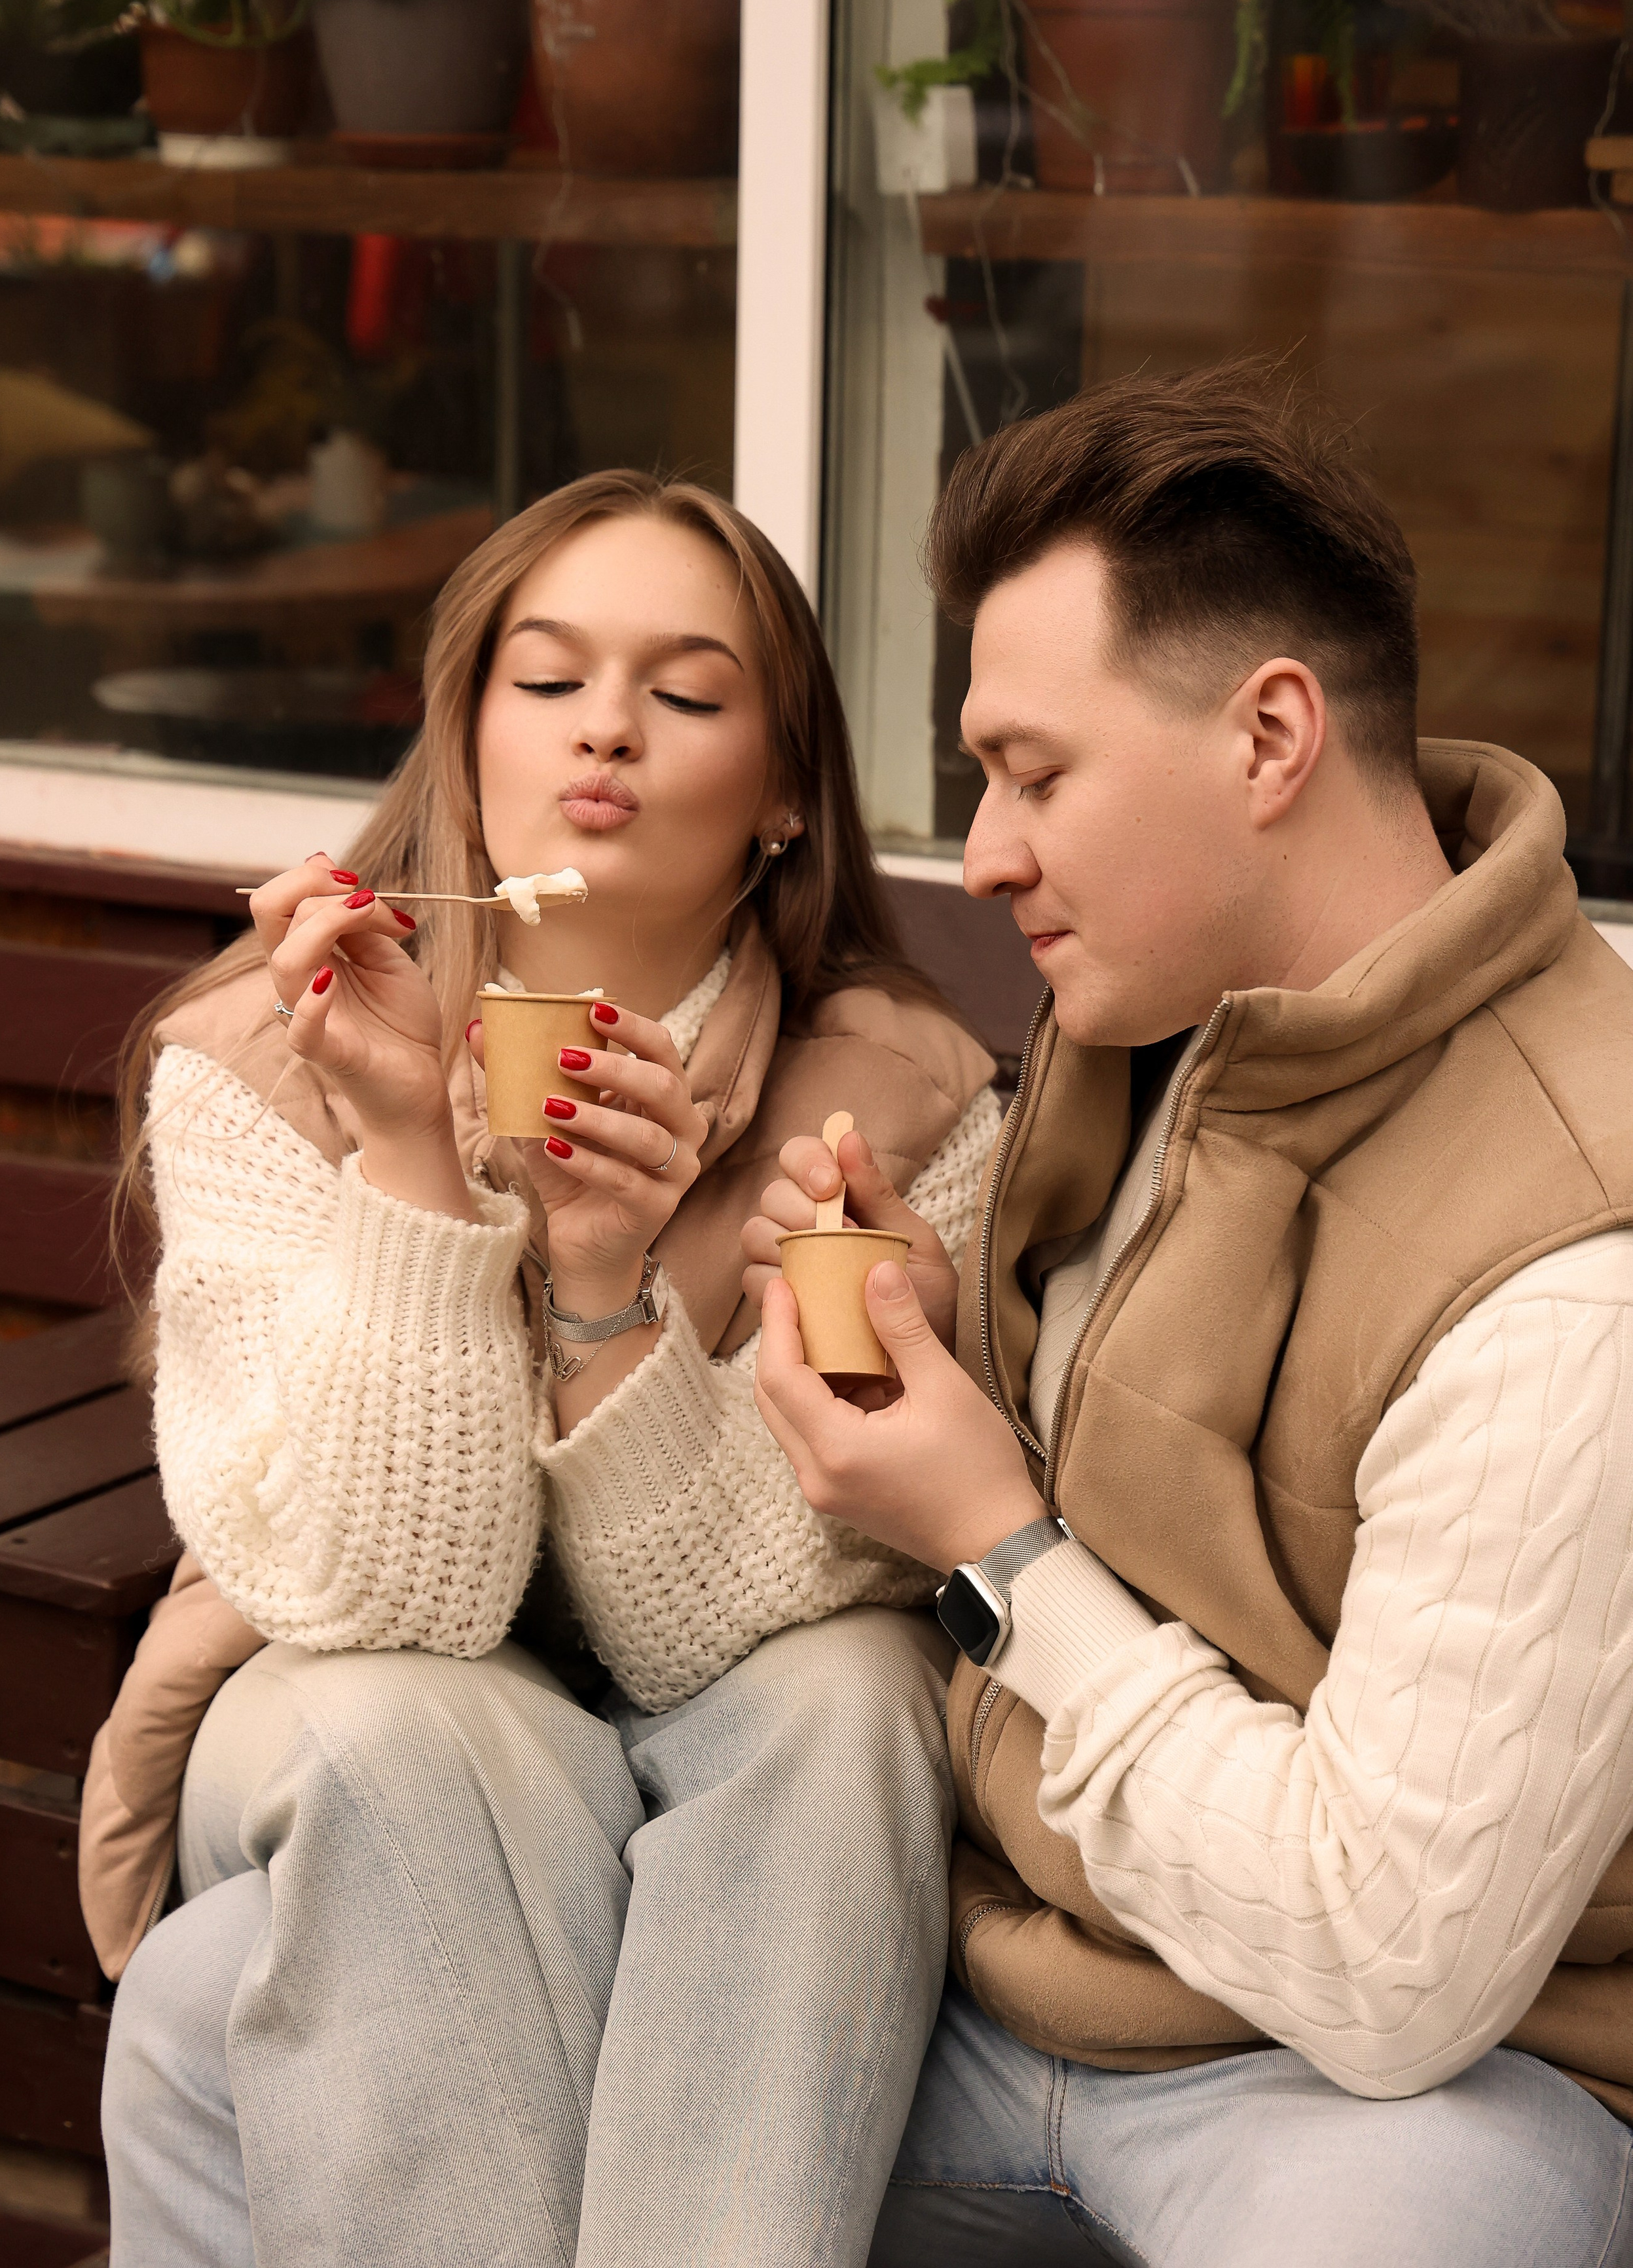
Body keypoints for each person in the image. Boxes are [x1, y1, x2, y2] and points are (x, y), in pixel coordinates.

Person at [748, 365, 1633, 2268]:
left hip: (1404, 2084)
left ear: (1271, 738)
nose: (984, 854)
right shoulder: (1149, 1025)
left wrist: (991, 1539)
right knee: (227, 2001)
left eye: (1036, 774)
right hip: (1006, 1960)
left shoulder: (1578, 1264)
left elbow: (1392, 1974)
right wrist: (932, 1359)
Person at [91, 470, 1000, 2268]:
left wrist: (599, 1291)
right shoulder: (263, 1061)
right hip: (330, 1690)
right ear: (465, 736)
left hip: (723, 1684)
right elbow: (390, 1605)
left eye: (687, 692)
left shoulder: (892, 1106)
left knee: (852, 1700)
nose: (607, 729)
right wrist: (410, 1165)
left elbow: (751, 1613)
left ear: (786, 794)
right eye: (550, 677)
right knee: (413, 1727)